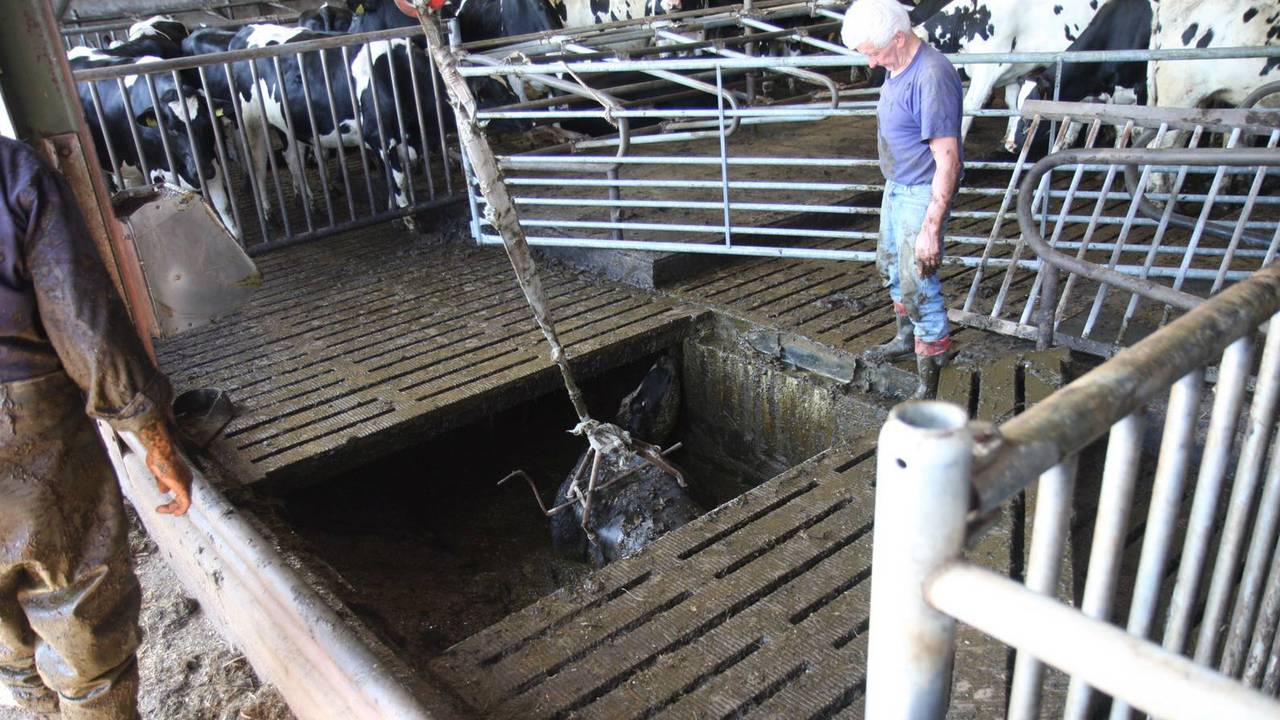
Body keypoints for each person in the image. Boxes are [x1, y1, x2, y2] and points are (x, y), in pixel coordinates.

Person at [0, 136, 193, 719]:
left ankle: (33, 706)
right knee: (78, 615)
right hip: (26, 425)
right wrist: (153, 438)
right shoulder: (11, 171)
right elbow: (85, 323)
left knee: (6, 634)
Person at [842, 0, 962, 399]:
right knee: (891, 266)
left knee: (918, 283)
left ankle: (931, 377)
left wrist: (931, 227)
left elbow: (948, 158)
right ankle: (905, 339)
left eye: (874, 53)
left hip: (920, 192)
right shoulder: (897, 65)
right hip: (897, 185)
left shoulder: (931, 75)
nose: (872, 64)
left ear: (898, 36)